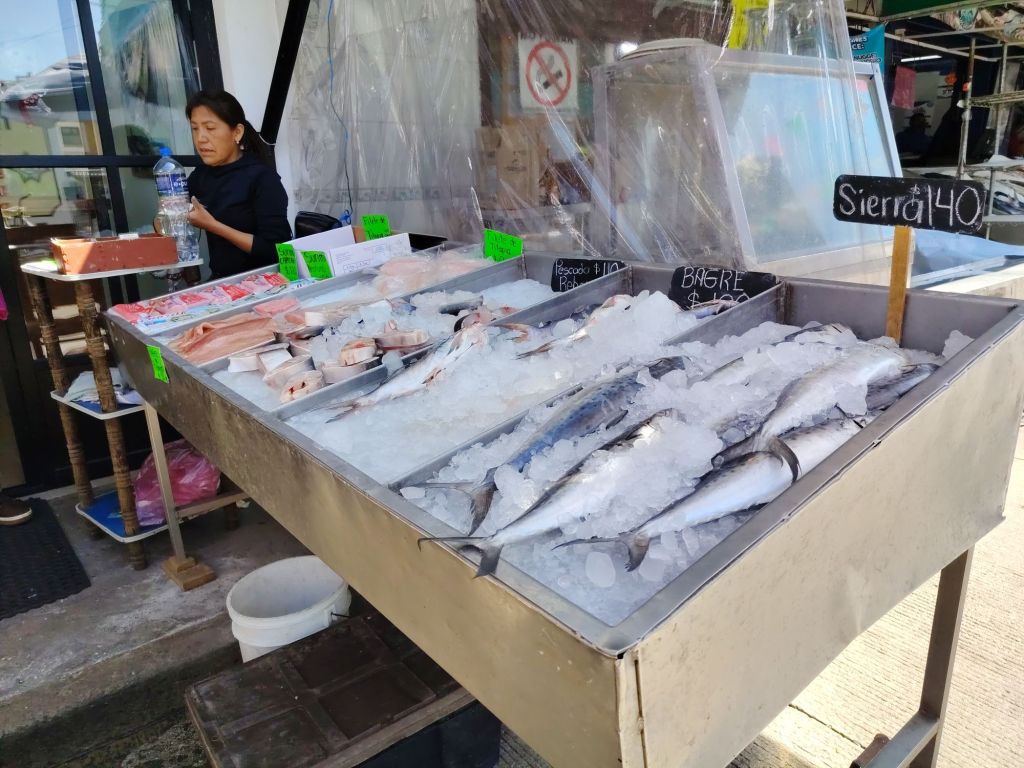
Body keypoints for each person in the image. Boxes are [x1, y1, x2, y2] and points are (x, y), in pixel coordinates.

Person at [184, 90, 291, 279]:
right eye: (195, 128)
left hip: (264, 281)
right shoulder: (200, 176)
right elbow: (174, 216)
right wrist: (165, 217)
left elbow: (276, 250)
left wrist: (213, 225)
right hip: (223, 283)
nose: (201, 138)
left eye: (210, 128)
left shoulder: (262, 177)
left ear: (237, 132)